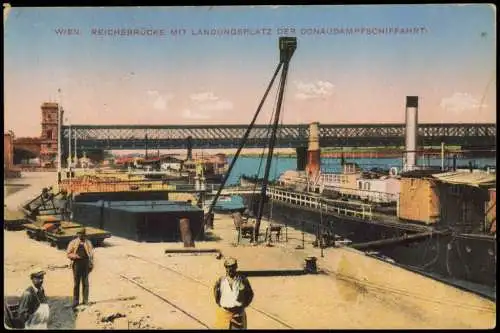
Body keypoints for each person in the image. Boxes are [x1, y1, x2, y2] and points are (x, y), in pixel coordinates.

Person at [213, 257, 254, 329]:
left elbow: (250, 294)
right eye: (228, 267)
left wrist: (242, 305)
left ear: (236, 267)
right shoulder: (221, 281)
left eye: (232, 267)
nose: (230, 270)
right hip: (224, 315)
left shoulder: (242, 280)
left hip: (238, 315)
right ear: (225, 268)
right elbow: (216, 295)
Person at [66, 228, 94, 309]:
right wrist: (75, 256)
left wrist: (91, 264)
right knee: (76, 284)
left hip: (85, 264)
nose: (81, 235)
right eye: (79, 233)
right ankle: (75, 301)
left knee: (85, 283)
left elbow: (91, 254)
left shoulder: (88, 242)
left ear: (85, 234)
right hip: (76, 264)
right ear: (77, 234)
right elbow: (68, 253)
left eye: (83, 234)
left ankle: (85, 300)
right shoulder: (73, 242)